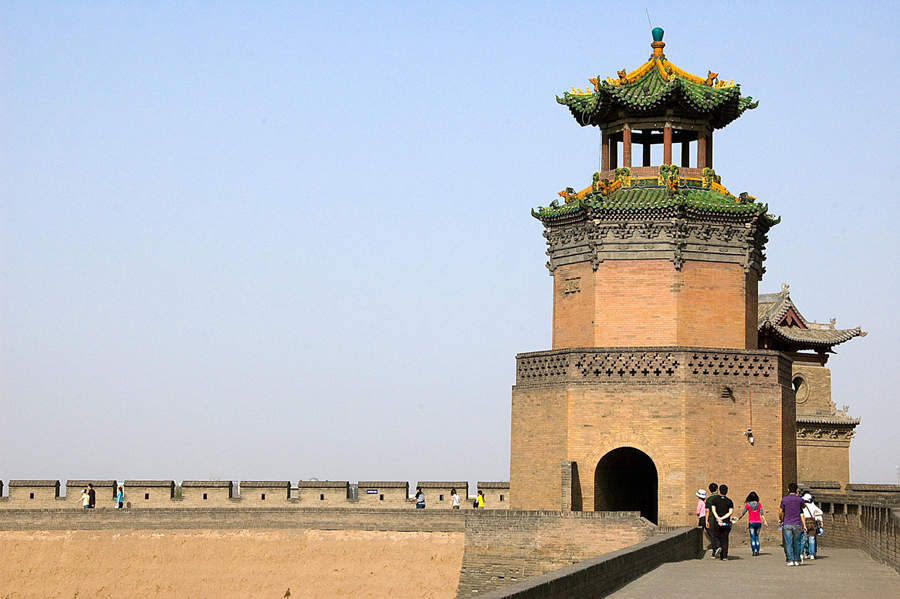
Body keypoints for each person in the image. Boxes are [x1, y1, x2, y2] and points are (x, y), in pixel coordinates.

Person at [779, 482, 807, 566]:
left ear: (788, 490)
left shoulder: (784, 499)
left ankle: (790, 560)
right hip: (797, 523)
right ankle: (797, 560)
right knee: (797, 542)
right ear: (796, 490)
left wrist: (781, 519)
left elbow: (780, 511)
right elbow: (804, 507)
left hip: (787, 523)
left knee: (788, 542)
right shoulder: (799, 500)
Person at [734, 491, 768, 556]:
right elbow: (762, 514)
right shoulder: (759, 504)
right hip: (758, 522)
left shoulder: (748, 505)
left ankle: (754, 550)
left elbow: (743, 513)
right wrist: (765, 521)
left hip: (751, 522)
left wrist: (738, 518)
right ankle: (757, 550)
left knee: (752, 537)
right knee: (756, 536)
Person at [708, 484, 734, 560]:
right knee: (725, 538)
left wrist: (718, 518)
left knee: (717, 535)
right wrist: (723, 518)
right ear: (727, 491)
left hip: (717, 522)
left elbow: (713, 510)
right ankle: (724, 556)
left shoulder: (715, 500)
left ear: (719, 491)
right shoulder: (729, 501)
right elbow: (730, 512)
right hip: (726, 522)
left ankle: (718, 547)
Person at [801, 493, 824, 560]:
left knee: (803, 539)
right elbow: (820, 512)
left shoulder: (803, 506)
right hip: (812, 522)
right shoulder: (813, 505)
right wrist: (815, 516)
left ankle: (801, 554)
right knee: (812, 539)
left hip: (805, 522)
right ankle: (812, 554)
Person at [704, 482, 720, 558]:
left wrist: (706, 520)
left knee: (712, 534)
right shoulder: (720, 498)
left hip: (711, 518)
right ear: (717, 489)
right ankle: (720, 547)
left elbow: (707, 510)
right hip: (720, 518)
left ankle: (715, 550)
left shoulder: (709, 499)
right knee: (720, 533)